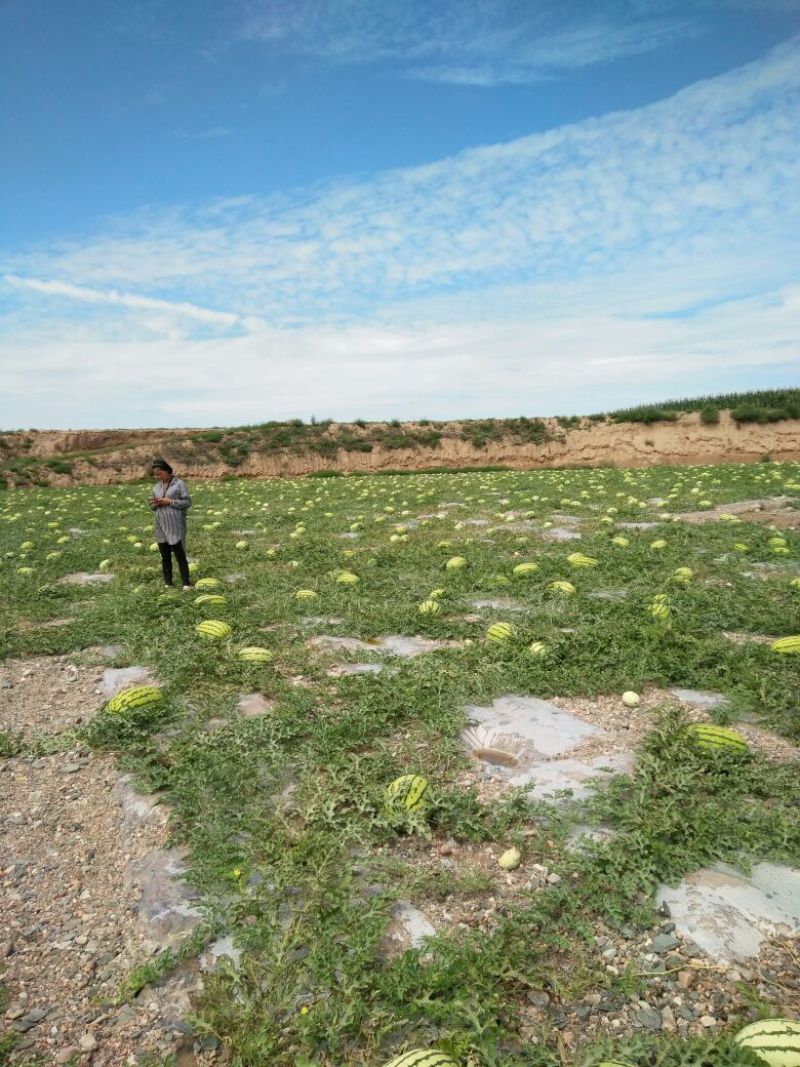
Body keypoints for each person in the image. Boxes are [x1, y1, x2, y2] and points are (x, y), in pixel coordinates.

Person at [150, 459, 193, 589]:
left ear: (168, 471)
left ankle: (186, 583)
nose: (157, 477)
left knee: (180, 554)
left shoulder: (179, 484)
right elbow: (151, 505)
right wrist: (154, 504)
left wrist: (170, 502)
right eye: (155, 475)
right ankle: (168, 583)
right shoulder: (156, 487)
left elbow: (187, 502)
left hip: (175, 524)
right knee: (165, 556)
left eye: (160, 474)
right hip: (160, 525)